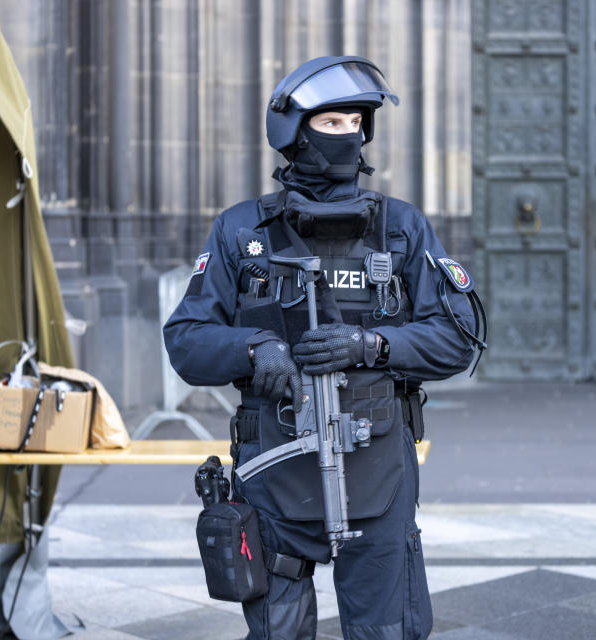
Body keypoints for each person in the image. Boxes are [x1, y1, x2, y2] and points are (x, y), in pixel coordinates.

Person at [164, 55, 485, 640]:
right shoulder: (242, 231)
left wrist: (371, 345)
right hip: (274, 468)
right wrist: (258, 351)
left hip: (377, 472)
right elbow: (186, 340)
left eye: (355, 123)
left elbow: (457, 340)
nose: (347, 136)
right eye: (330, 123)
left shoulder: (401, 228)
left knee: (385, 632)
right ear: (293, 130)